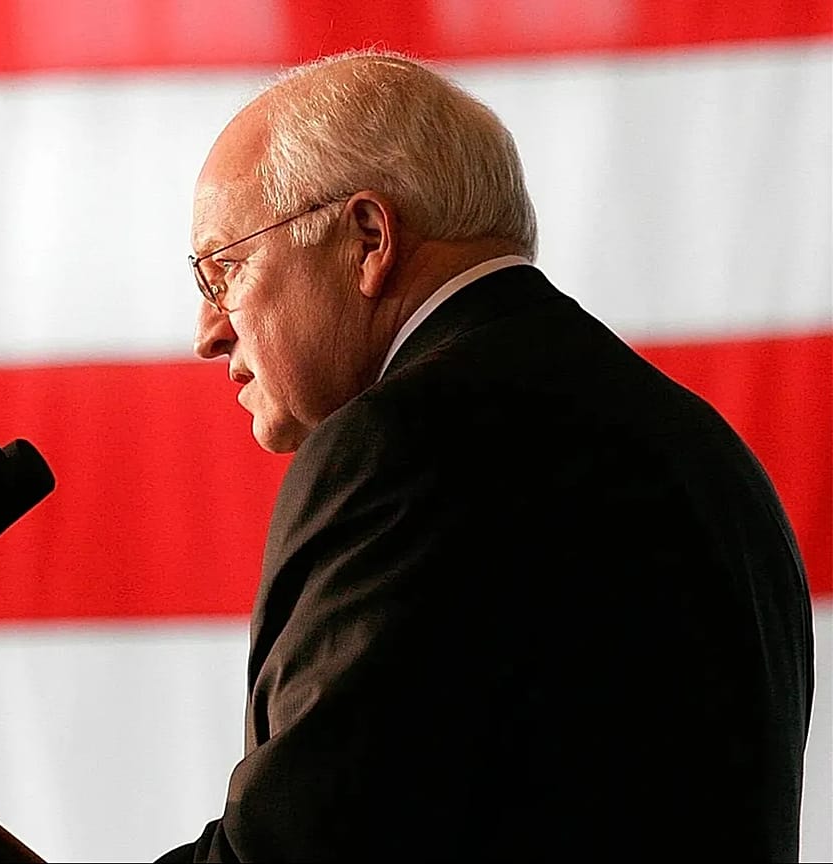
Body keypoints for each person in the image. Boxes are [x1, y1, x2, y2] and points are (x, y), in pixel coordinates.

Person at [160, 49, 814, 861]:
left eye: (224, 269)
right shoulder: (705, 447)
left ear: (367, 238)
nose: (208, 332)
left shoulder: (398, 445)